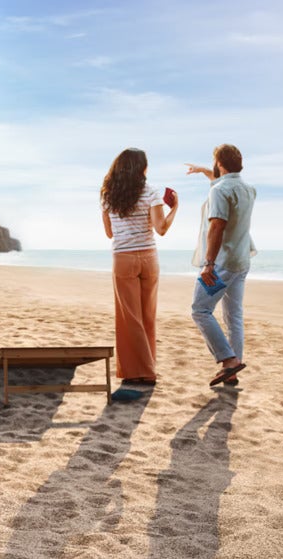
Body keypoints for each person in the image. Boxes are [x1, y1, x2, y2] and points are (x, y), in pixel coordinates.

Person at [100, 148, 178, 386]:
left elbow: (109, 232)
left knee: (129, 319)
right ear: (142, 168)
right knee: (147, 316)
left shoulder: (108, 195)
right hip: (148, 258)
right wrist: (174, 208)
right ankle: (147, 368)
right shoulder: (151, 192)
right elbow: (161, 229)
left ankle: (140, 373)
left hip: (123, 258)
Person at [185, 144, 256, 387]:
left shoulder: (220, 191)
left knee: (200, 310)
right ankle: (232, 371)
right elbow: (221, 183)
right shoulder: (248, 189)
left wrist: (208, 264)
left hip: (222, 264)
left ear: (220, 164)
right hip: (241, 261)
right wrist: (205, 171)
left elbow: (217, 226)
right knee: (233, 316)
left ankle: (229, 360)